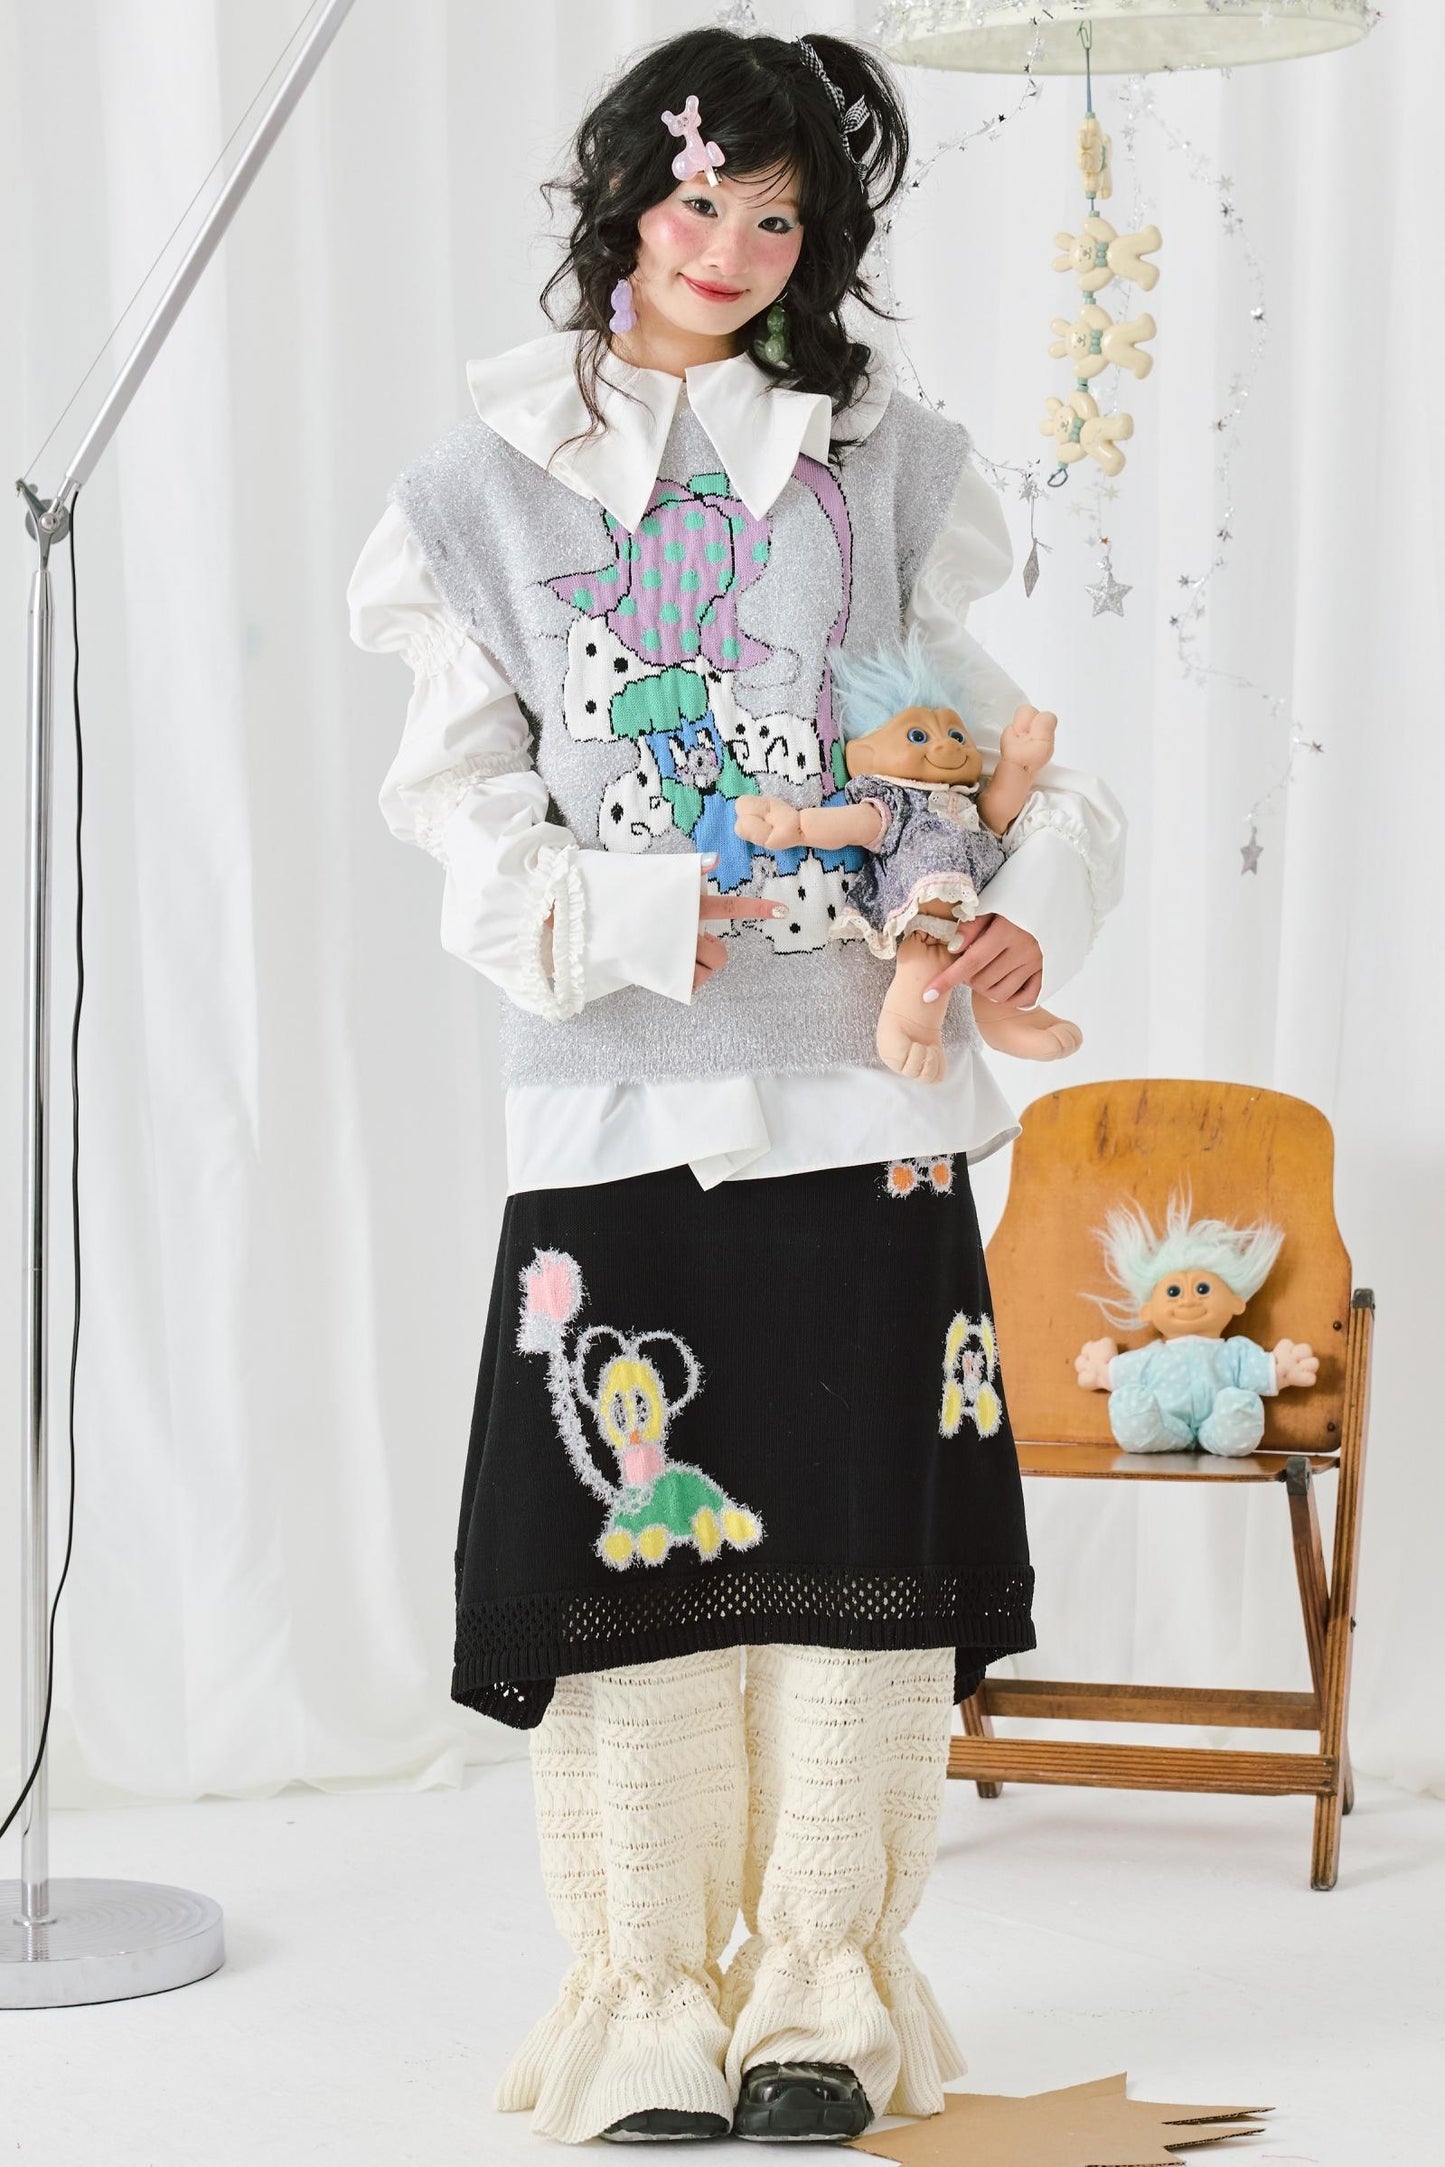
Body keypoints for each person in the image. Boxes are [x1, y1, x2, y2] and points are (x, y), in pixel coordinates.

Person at [347, 24, 1125, 2148]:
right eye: (700, 201)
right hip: (616, 1110)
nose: (728, 247)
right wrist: (635, 912)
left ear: (818, 244)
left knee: (856, 1569)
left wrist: (1012, 912)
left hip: (870, 1109)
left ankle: (821, 2002)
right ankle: (645, 2012)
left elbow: (1000, 755)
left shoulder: (883, 465)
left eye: (777, 218)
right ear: (626, 201)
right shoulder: (479, 491)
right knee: (634, 1568)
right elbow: (458, 810)